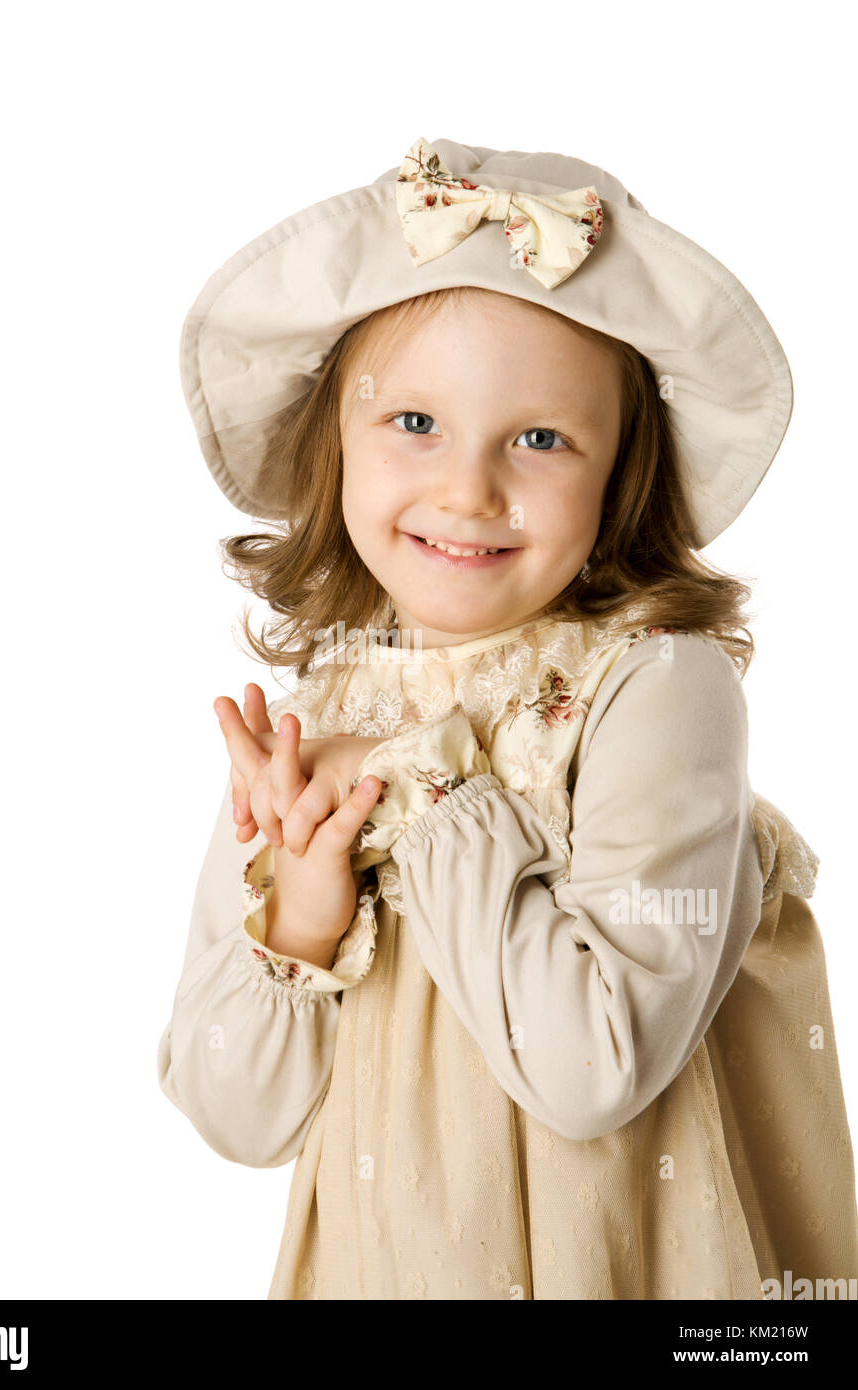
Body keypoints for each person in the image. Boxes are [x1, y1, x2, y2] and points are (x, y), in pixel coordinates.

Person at [157, 136, 858, 1300]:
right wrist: (306, 912)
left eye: (540, 438)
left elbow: (593, 1067)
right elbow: (238, 1117)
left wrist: (418, 784)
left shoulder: (656, 690)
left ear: (622, 471)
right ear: (338, 441)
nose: (469, 489)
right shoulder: (320, 719)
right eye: (414, 422)